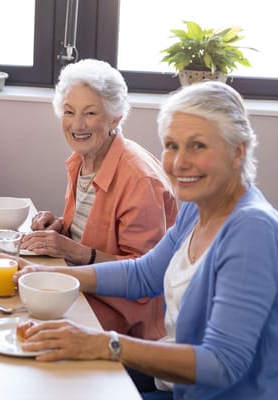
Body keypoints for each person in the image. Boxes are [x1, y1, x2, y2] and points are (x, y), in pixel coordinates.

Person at [14, 81, 278, 400]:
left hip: (203, 392)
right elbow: (143, 274)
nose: (178, 162)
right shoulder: (199, 210)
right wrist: (50, 276)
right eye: (172, 145)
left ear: (237, 152)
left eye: (198, 146)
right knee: (45, 373)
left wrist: (104, 344)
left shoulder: (252, 231)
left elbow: (223, 363)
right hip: (172, 382)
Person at [19, 59, 177, 340]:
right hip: (84, 292)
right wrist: (59, 229)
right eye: (69, 112)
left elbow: (144, 276)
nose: (77, 125)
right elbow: (91, 233)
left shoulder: (139, 180)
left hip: (125, 321)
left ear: (114, 118)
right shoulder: (83, 160)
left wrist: (73, 251)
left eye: (90, 113)